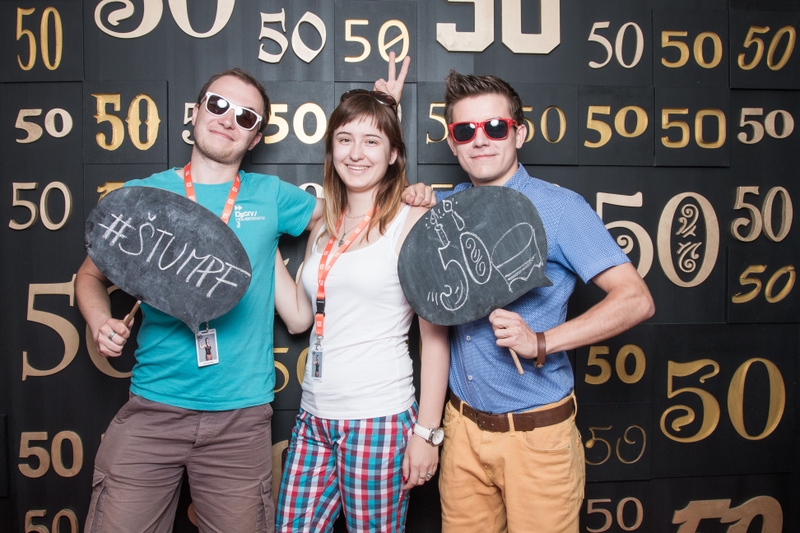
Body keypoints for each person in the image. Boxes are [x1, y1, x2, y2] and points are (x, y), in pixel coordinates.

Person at [76, 67, 325, 533]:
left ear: (255, 138)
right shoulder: (144, 195)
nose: (229, 119)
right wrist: (98, 319)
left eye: (246, 116)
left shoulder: (271, 197)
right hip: (153, 408)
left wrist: (410, 197)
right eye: (218, 104)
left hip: (240, 421)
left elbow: (345, 215)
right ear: (195, 112)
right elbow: (88, 276)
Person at [428, 71, 656, 532]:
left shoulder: (559, 208)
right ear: (452, 143)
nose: (480, 140)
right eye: (465, 130)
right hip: (461, 433)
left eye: (495, 127)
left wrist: (542, 341)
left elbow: (636, 299)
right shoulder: (444, 209)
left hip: (536, 440)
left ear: (520, 133)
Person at [272, 59, 450, 533]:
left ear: (393, 155)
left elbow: (435, 338)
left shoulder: (412, 219)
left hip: (379, 419)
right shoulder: (322, 227)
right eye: (345, 139)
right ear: (331, 149)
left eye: (372, 142)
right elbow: (300, 318)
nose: (356, 153)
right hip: (314, 415)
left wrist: (427, 433)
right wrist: (260, 244)